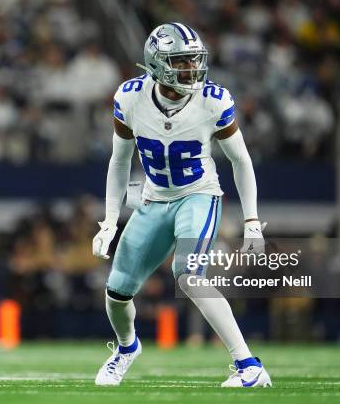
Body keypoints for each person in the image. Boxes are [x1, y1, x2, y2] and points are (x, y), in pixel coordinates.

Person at [92, 23, 272, 388]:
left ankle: (250, 366)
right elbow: (119, 161)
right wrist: (110, 220)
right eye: (181, 61)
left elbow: (241, 160)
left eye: (194, 60)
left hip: (199, 194)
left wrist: (252, 221)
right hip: (153, 199)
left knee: (189, 275)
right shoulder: (129, 98)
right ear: (156, 64)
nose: (192, 68)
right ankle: (127, 348)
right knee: (116, 292)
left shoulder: (213, 100)